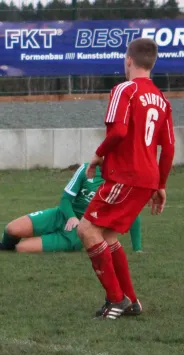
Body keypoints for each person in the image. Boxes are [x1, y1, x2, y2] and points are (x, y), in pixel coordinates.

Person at [77, 38, 175, 320]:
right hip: (146, 178)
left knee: (87, 230)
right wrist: (161, 185)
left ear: (129, 60)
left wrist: (97, 155)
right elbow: (167, 148)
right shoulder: (162, 100)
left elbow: (118, 132)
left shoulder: (124, 90)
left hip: (125, 175)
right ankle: (131, 301)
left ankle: (115, 299)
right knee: (107, 236)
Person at [0, 162, 143, 254]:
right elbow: (65, 199)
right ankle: (3, 246)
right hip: (61, 215)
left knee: (22, 248)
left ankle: (47, 240)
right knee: (11, 229)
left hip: (78, 232)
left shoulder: (122, 180)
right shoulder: (86, 169)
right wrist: (71, 216)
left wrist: (137, 249)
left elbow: (133, 213)